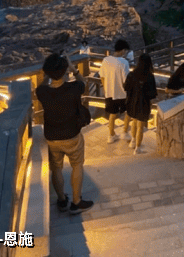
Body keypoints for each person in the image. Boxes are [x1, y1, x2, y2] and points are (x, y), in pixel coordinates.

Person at [35, 53, 94, 214]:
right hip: (72, 135)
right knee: (77, 166)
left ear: (47, 72)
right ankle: (76, 202)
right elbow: (83, 82)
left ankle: (61, 200)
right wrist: (73, 68)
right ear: (64, 70)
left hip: (52, 136)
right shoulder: (73, 88)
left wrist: (48, 75)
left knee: (57, 169)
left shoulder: (42, 92)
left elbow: (41, 86)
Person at [123, 53, 158, 154]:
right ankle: (137, 148)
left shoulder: (132, 74)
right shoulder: (150, 76)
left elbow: (126, 87)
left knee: (134, 121)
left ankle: (133, 141)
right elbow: (152, 94)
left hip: (132, 102)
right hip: (144, 104)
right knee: (140, 126)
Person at [99, 39, 132, 144]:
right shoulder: (124, 62)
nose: (125, 53)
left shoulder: (106, 60)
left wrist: (106, 89)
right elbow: (125, 80)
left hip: (109, 92)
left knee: (112, 114)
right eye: (126, 51)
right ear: (123, 50)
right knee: (128, 112)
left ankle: (111, 135)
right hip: (122, 93)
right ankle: (125, 132)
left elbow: (102, 77)